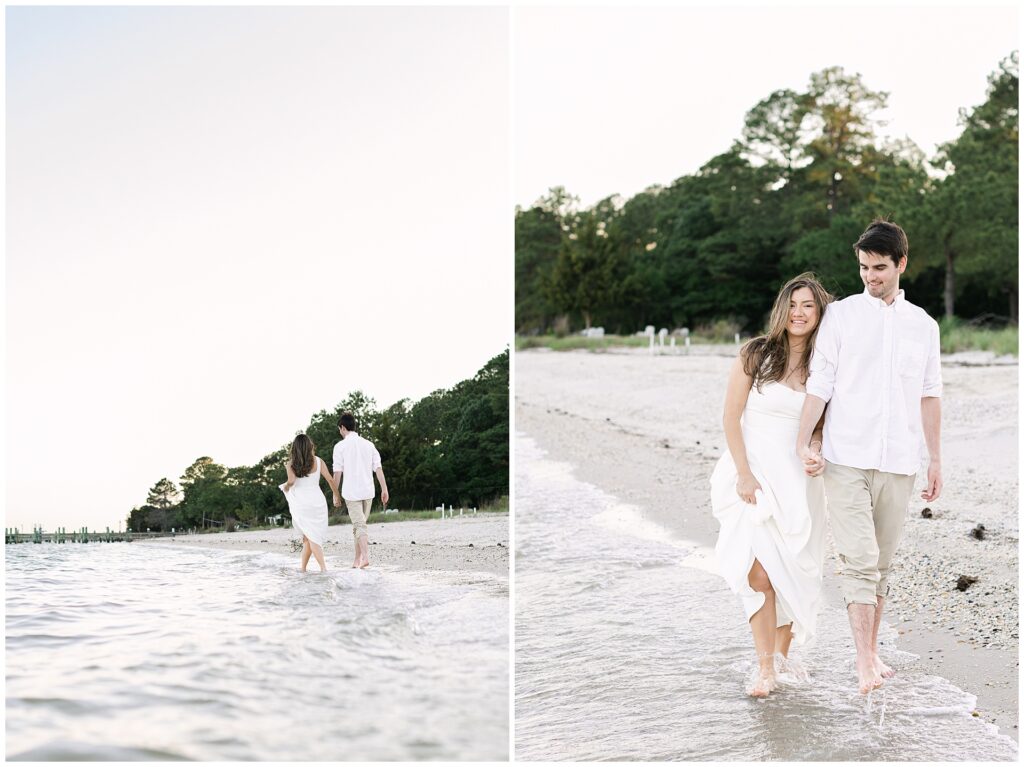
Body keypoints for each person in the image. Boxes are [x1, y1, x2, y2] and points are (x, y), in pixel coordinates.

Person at [796, 219, 942, 694]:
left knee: (881, 565)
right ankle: (863, 662)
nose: (870, 277)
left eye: (879, 268)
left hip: (899, 461)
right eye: (863, 267)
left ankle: (873, 652)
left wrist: (935, 458)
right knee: (858, 560)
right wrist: (804, 441)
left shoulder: (924, 326)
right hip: (845, 457)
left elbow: (929, 395)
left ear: (901, 264)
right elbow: (820, 383)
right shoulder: (840, 317)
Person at [710, 273, 832, 697]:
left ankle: (780, 660)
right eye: (793, 304)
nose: (799, 314)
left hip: (798, 480)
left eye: (809, 306)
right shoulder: (755, 354)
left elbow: (821, 426)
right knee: (757, 573)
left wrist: (816, 449)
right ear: (782, 308)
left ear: (819, 314)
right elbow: (731, 416)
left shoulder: (824, 363)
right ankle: (764, 668)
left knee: (790, 574)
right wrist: (744, 473)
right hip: (755, 475)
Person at [333, 411, 389, 569]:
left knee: (359, 525)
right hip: (368, 492)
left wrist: (335, 494)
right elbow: (378, 468)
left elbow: (337, 473)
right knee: (359, 526)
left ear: (343, 427)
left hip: (352, 493)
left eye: (340, 429)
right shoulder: (369, 444)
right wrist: (384, 489)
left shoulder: (340, 447)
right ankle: (357, 560)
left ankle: (365, 556)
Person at [280, 433, 340, 572]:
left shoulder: (291, 464)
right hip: (317, 501)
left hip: (302, 503)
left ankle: (323, 569)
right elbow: (330, 480)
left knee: (312, 537)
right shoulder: (318, 461)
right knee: (308, 537)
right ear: (309, 446)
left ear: (295, 448)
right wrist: (337, 496)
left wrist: (286, 487)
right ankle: (303, 569)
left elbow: (291, 481)